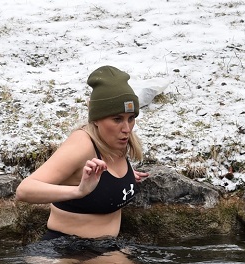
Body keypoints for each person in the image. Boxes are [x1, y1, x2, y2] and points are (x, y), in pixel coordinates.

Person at [16, 65, 150, 241]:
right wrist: (79, 191)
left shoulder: (117, 141)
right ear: (96, 119)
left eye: (131, 118)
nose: (127, 128)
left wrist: (122, 178)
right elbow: (24, 191)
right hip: (63, 248)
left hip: (104, 248)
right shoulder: (82, 144)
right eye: (117, 119)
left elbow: (106, 181)